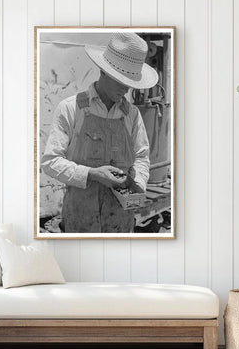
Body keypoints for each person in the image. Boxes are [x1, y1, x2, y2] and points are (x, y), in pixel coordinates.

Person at [41, 32, 158, 233]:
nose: (126, 89)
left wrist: (136, 186)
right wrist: (92, 174)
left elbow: (141, 157)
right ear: (103, 71)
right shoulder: (71, 108)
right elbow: (51, 162)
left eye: (130, 82)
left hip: (120, 222)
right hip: (80, 220)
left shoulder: (132, 114)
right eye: (120, 80)